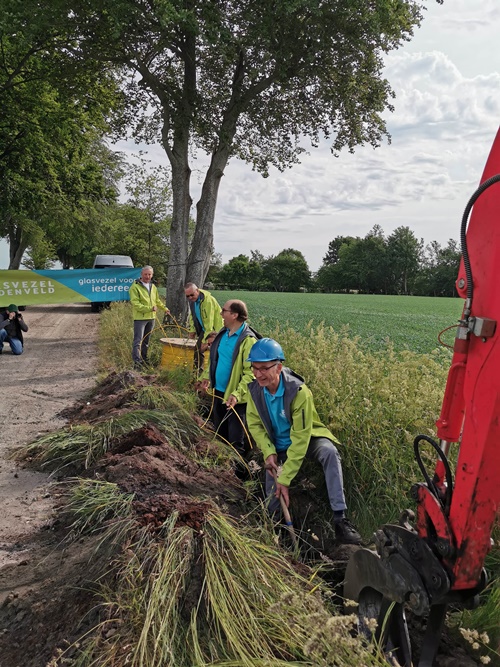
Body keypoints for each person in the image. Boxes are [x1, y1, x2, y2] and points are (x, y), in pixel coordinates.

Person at [245, 338, 362, 545]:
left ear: (279, 367)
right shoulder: (254, 390)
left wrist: (286, 478)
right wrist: (268, 451)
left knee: (329, 452)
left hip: (307, 439)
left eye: (264, 368)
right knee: (272, 501)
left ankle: (340, 518)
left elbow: (300, 438)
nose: (258, 373)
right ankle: (275, 531)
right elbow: (254, 424)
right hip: (278, 446)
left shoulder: (299, 392)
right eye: (254, 368)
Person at [199, 299, 257, 466]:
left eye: (224, 311)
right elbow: (214, 360)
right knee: (220, 433)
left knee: (235, 441)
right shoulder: (223, 334)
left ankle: (237, 474)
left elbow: (251, 373)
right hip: (219, 392)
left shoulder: (248, 341)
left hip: (235, 399)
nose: (221, 314)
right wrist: (206, 376)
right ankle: (221, 469)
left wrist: (236, 394)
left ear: (234, 315)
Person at [129, 265, 169, 368]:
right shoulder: (135, 287)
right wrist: (150, 308)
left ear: (152, 275)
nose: (147, 276)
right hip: (140, 318)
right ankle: (137, 362)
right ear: (141, 274)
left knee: (146, 341)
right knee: (138, 341)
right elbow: (136, 304)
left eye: (149, 274)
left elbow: (157, 301)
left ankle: (144, 359)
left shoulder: (153, 287)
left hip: (151, 318)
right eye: (145, 274)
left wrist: (165, 308)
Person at [184, 282, 223, 373]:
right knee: (198, 350)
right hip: (204, 329)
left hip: (215, 330)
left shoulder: (207, 301)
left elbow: (209, 323)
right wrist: (192, 330)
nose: (190, 298)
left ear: (197, 291)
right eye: (187, 296)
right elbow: (192, 316)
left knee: (214, 352)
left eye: (192, 295)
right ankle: (198, 375)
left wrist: (205, 341)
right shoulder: (192, 301)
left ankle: (213, 375)